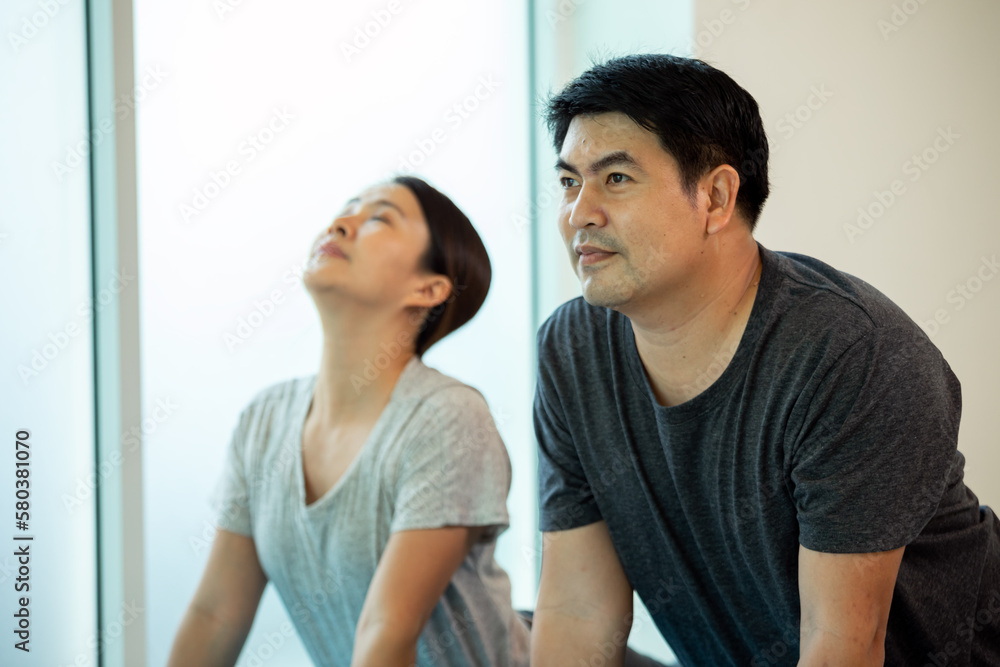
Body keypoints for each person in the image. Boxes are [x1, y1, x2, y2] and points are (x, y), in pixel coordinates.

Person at [529, 54, 1000, 667]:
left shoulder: (849, 356)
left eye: (616, 178)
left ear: (716, 197)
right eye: (570, 182)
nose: (578, 214)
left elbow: (843, 649)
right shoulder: (572, 349)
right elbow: (578, 612)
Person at [167, 176, 530, 666]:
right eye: (346, 208)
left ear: (428, 288)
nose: (340, 223)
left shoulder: (446, 418)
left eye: (379, 218)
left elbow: (387, 633)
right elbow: (214, 614)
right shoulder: (263, 423)